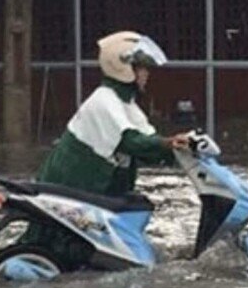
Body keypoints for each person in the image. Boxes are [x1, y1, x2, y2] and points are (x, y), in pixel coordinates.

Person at [21, 30, 192, 268]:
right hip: (72, 188)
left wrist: (179, 150)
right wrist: (167, 143)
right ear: (124, 68)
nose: (146, 74)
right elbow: (131, 142)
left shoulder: (126, 104)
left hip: (96, 192)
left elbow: (149, 141)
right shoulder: (104, 101)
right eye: (141, 68)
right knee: (55, 243)